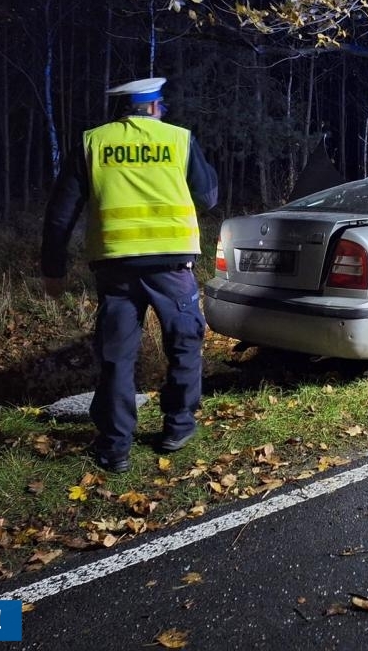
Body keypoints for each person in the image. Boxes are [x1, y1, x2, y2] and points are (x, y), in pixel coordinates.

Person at [41, 77, 219, 473]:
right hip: (172, 268)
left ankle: (115, 448)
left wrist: (53, 269)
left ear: (121, 109)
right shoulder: (179, 139)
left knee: (116, 358)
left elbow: (59, 214)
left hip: (116, 269)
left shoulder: (92, 143)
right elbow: (207, 198)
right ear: (153, 107)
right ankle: (176, 428)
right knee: (184, 345)